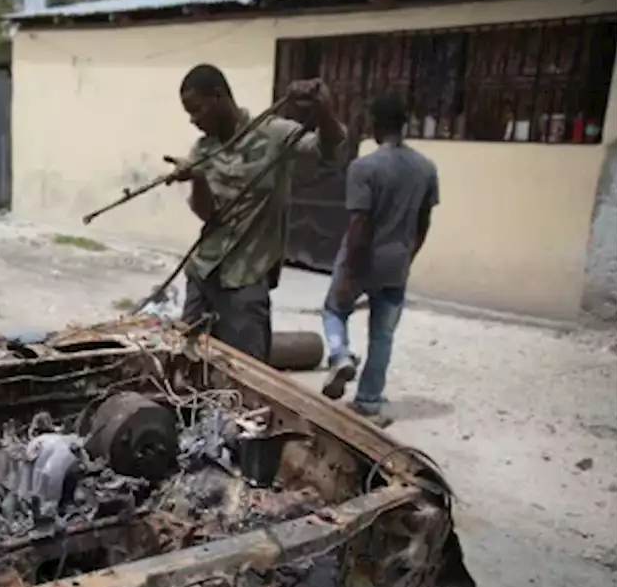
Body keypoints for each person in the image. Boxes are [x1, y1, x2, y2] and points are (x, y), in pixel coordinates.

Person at [169, 64, 345, 363]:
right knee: (186, 361)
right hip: (204, 272)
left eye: (197, 110)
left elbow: (328, 151)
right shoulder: (203, 149)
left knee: (246, 371)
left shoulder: (273, 134)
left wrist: (322, 107)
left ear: (218, 97)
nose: (193, 121)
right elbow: (206, 214)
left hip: (247, 277)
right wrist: (197, 178)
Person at [321, 93, 439, 426]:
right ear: (404, 123)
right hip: (397, 261)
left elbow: (360, 225)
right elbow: (423, 223)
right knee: (383, 335)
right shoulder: (426, 169)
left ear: (374, 123)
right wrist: (407, 256)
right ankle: (369, 400)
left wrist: (349, 273)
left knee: (334, 309)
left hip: (363, 257)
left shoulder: (364, 168)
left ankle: (340, 355)